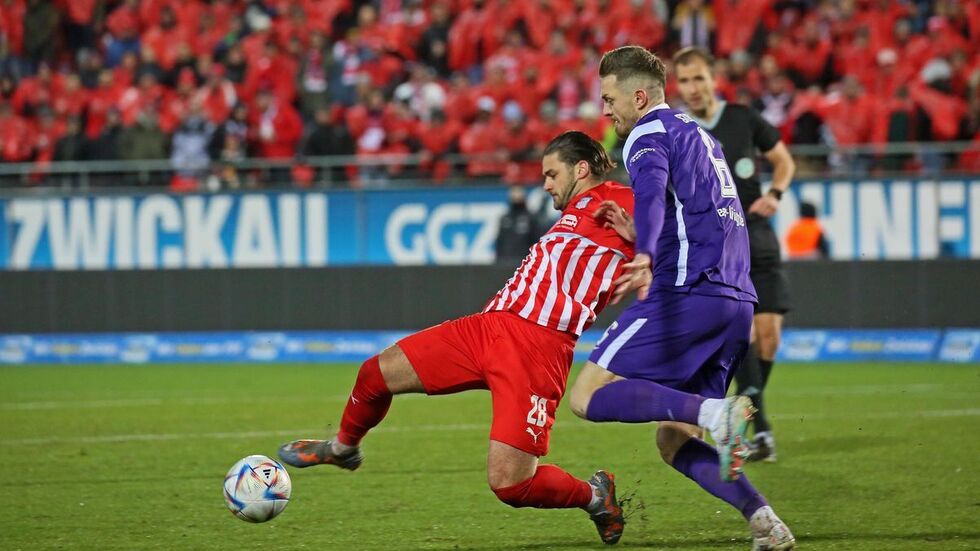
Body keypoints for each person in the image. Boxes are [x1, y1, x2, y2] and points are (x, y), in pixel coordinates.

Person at [279, 131, 634, 545]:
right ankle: (342, 449)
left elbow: (676, 235)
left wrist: (648, 249)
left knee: (510, 484)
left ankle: (595, 497)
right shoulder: (573, 214)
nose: (545, 184)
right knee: (376, 372)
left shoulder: (622, 199)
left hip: (539, 349)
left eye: (551, 174)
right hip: (487, 328)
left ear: (581, 168)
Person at [567, 45, 794, 551]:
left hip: (688, 294)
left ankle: (719, 415)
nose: (605, 110)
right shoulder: (701, 137)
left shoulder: (647, 134)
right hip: (735, 303)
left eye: (609, 99)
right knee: (673, 438)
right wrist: (643, 232)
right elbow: (695, 212)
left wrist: (644, 253)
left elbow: (648, 192)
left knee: (584, 396)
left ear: (639, 96)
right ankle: (765, 523)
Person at [673, 46, 797, 463]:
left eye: (698, 78)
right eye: (684, 80)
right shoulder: (677, 128)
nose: (691, 88)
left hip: (758, 237)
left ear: (713, 78)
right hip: (720, 247)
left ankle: (740, 415)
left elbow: (783, 162)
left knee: (768, 338)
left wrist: (776, 194)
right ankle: (760, 433)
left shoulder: (744, 118)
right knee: (741, 336)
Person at [495, 185, 540, 264]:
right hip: (505, 263)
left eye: (518, 192)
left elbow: (536, 242)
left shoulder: (530, 218)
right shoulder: (505, 218)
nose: (516, 195)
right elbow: (499, 243)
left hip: (524, 264)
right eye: (514, 192)